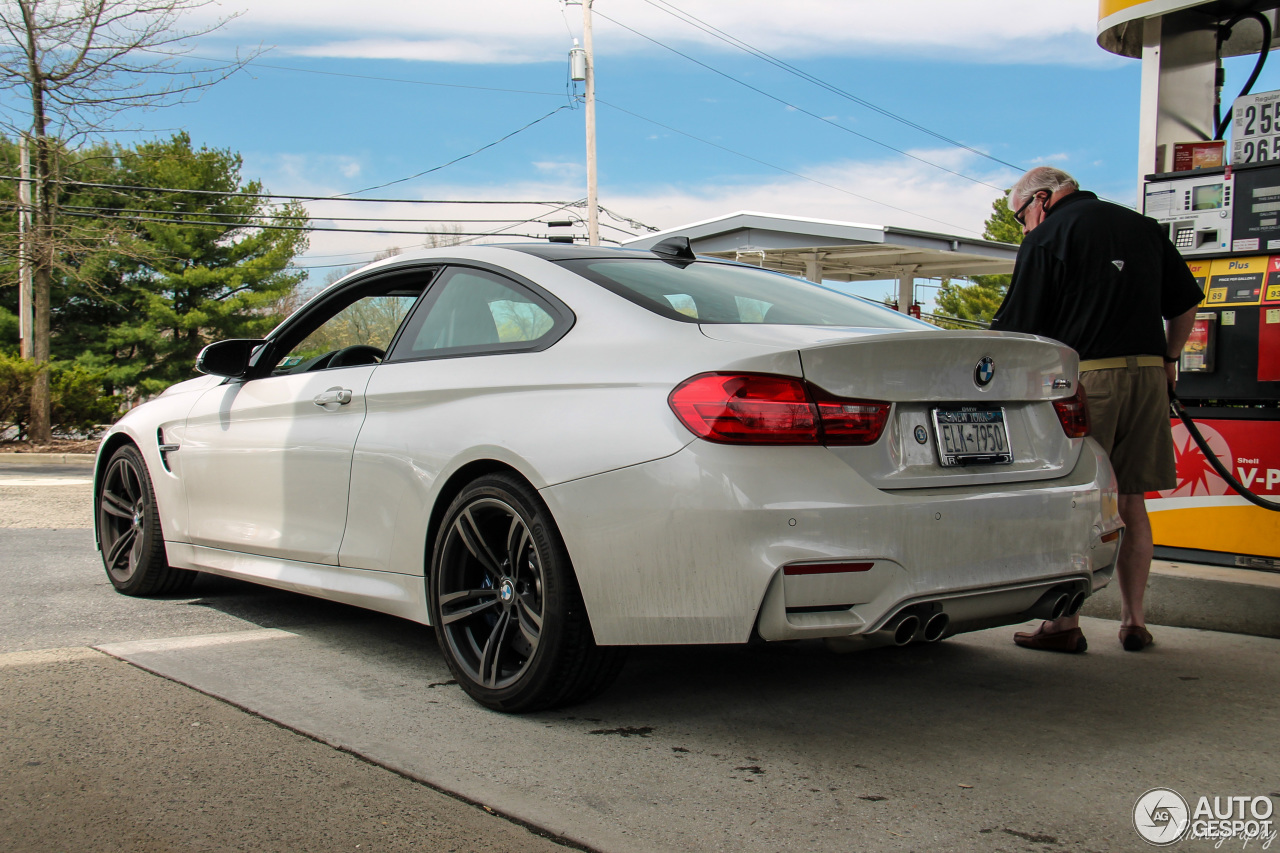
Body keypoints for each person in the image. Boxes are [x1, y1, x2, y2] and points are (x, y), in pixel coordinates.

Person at [990, 166, 1202, 653]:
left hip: (1086, 380)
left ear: (1041, 199)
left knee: (1076, 502)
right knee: (1132, 500)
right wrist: (1170, 360)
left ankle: (1064, 625)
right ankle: (1134, 621)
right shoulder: (1143, 227)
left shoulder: (1048, 238)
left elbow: (1017, 331)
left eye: (1021, 215)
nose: (1024, 226)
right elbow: (1186, 304)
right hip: (1149, 376)